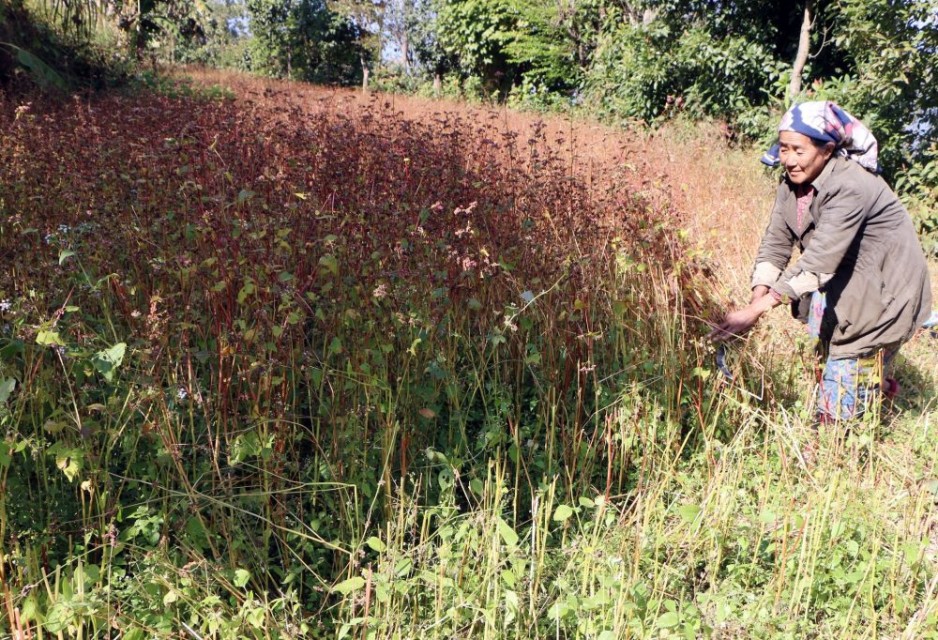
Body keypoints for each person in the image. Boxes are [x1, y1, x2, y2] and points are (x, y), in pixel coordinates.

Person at [709, 101, 932, 422]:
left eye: (798, 151)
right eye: (783, 149)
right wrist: (756, 299)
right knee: (831, 363)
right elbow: (776, 241)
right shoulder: (791, 183)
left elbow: (820, 259)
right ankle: (876, 387)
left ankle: (836, 442)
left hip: (885, 297)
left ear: (827, 150)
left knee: (833, 409)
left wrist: (755, 311)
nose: (788, 159)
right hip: (842, 289)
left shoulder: (852, 186)